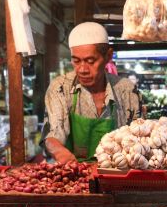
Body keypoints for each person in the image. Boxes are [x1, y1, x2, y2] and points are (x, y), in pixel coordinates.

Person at [42, 22, 141, 163]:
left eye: (90, 61)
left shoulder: (127, 91)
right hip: (73, 176)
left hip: (116, 175)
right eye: (76, 61)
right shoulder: (61, 87)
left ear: (108, 56)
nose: (82, 69)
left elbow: (139, 139)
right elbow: (53, 133)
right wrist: (59, 152)